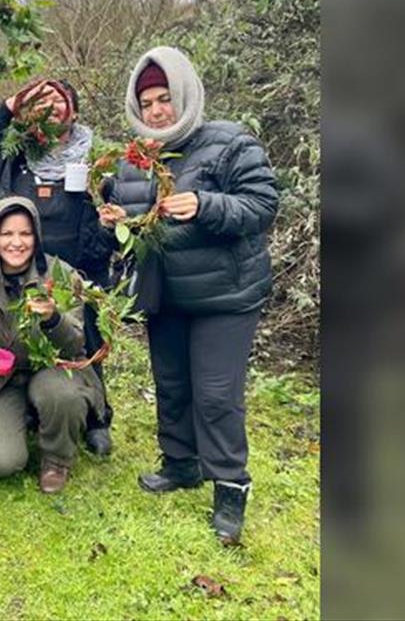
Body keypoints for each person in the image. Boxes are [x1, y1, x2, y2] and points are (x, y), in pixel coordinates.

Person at [102, 46, 279, 545]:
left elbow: (263, 204)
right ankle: (180, 464)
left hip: (225, 295)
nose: (157, 110)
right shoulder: (137, 159)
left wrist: (206, 204)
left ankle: (230, 487)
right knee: (173, 385)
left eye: (164, 98)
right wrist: (114, 219)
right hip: (168, 293)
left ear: (185, 94)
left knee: (217, 395)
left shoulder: (229, 142)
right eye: (147, 103)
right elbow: (135, 217)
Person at [0, 77, 117, 456]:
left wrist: (108, 228)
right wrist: (13, 104)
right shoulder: (14, 150)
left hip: (74, 264)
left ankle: (95, 416)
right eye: (41, 100)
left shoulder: (94, 157)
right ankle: (22, 409)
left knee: (81, 337)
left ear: (74, 110)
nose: (50, 107)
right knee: (16, 330)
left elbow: (106, 215)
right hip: (17, 256)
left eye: (58, 99)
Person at [0, 197, 105, 493]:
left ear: (37, 236)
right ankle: (21, 419)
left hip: (53, 371)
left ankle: (57, 458)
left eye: (25, 233)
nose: (16, 243)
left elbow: (77, 342)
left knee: (62, 394)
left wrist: (52, 318)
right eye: (7, 234)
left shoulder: (61, 275)